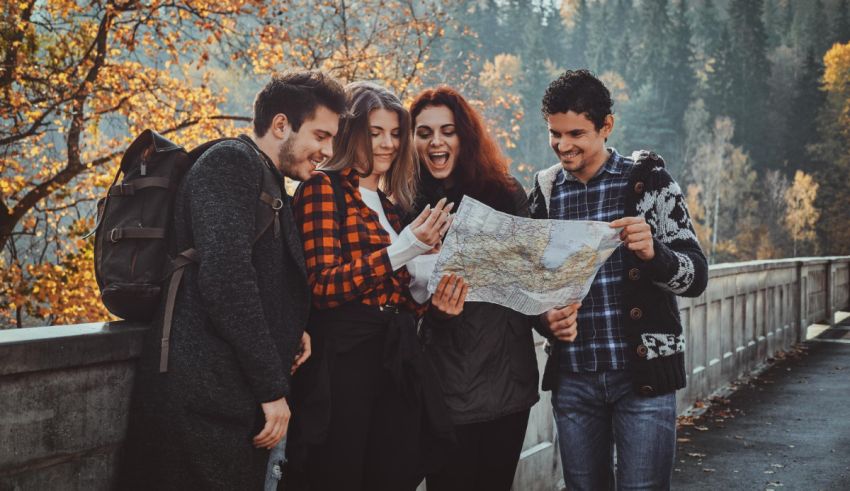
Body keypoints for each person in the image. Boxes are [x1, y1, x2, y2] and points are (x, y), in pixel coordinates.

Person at [119, 71, 347, 490]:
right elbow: (227, 280)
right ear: (281, 125)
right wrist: (271, 389)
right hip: (203, 399)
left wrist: (294, 328)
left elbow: (257, 274)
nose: (327, 151)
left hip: (223, 397)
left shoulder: (264, 175)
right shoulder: (231, 163)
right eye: (320, 135)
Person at [528, 69, 709, 490]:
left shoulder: (649, 183)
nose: (563, 145)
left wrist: (654, 254)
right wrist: (545, 320)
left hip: (642, 379)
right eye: (555, 134)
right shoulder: (545, 191)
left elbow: (697, 277)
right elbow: (532, 287)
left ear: (606, 126)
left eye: (576, 133)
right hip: (573, 379)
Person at [287, 81, 454, 491]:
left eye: (396, 133)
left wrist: (429, 288)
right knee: (339, 473)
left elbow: (396, 298)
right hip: (342, 361)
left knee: (392, 473)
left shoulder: (394, 209)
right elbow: (322, 286)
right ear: (351, 132)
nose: (388, 144)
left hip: (393, 357)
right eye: (375, 132)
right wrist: (404, 250)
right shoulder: (321, 190)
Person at [407, 86, 539, 491]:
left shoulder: (506, 193)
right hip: (443, 391)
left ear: (465, 136)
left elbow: (533, 277)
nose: (436, 142)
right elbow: (395, 304)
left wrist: (555, 317)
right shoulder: (402, 203)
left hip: (507, 384)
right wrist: (437, 316)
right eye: (424, 132)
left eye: (447, 130)